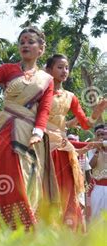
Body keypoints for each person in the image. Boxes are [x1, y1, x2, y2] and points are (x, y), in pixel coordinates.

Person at [0, 27, 58, 230]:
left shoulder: (47, 80)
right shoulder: (7, 70)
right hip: (6, 129)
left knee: (30, 177)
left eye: (30, 41)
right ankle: (8, 227)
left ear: (41, 48)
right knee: (9, 177)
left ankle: (30, 228)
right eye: (22, 42)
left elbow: (44, 109)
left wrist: (38, 132)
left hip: (31, 134)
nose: (25, 45)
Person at [44, 54, 106, 230]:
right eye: (60, 67)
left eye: (66, 68)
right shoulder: (40, 94)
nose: (64, 71)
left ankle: (69, 236)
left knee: (67, 194)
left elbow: (86, 124)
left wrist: (97, 112)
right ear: (49, 70)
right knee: (45, 193)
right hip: (43, 147)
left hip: (63, 150)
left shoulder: (71, 96)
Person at [87, 125, 107, 222]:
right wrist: (98, 151)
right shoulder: (92, 149)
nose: (102, 137)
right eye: (99, 135)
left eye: (103, 134)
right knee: (96, 219)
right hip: (98, 188)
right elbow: (91, 166)